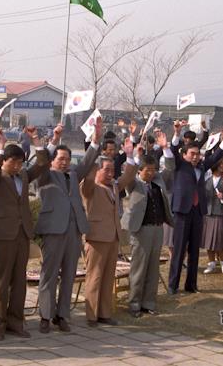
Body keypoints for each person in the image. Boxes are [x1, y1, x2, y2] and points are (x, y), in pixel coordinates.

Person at [35, 118, 102, 333]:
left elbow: (87, 162)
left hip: (73, 231)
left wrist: (95, 139)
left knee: (69, 275)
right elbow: (41, 161)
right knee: (49, 275)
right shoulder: (45, 175)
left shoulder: (73, 175)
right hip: (53, 231)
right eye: (60, 158)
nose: (64, 162)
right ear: (53, 160)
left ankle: (62, 315)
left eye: (67, 158)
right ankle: (45, 315)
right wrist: (53, 140)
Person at [0, 127, 48, 340]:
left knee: (19, 281)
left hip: (22, 234)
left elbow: (41, 164)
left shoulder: (23, 176)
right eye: (14, 162)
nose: (18, 166)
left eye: (20, 162)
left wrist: (36, 139)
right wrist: (0, 146)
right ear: (5, 161)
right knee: (2, 281)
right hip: (2, 235)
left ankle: (15, 323)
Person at [167, 121, 223, 294]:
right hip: (182, 212)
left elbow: (216, 156)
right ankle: (173, 285)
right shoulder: (180, 165)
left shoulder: (203, 167)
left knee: (195, 250)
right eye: (192, 154)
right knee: (179, 250)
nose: (196, 157)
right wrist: (176, 133)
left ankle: (191, 285)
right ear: (185, 155)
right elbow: (173, 151)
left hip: (197, 212)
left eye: (198, 154)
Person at [80, 137, 136, 327]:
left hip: (112, 237)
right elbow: (87, 180)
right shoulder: (90, 187)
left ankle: (104, 313)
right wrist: (93, 156)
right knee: (94, 277)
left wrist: (129, 155)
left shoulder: (113, 186)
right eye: (107, 170)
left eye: (113, 170)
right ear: (97, 170)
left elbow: (127, 177)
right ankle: (91, 315)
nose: (111, 173)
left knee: (107, 277)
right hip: (96, 237)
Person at [122, 132, 174, 318]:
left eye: (153, 169)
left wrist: (166, 147)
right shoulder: (134, 184)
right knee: (139, 269)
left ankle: (149, 302)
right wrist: (132, 154)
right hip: (140, 230)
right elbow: (127, 176)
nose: (151, 173)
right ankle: (134, 304)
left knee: (153, 268)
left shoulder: (158, 181)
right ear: (140, 171)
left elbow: (170, 168)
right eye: (147, 170)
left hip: (157, 229)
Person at [201, 157, 223, 275]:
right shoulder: (207, 179)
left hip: (220, 212)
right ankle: (211, 263)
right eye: (221, 163)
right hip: (208, 213)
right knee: (208, 239)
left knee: (220, 238)